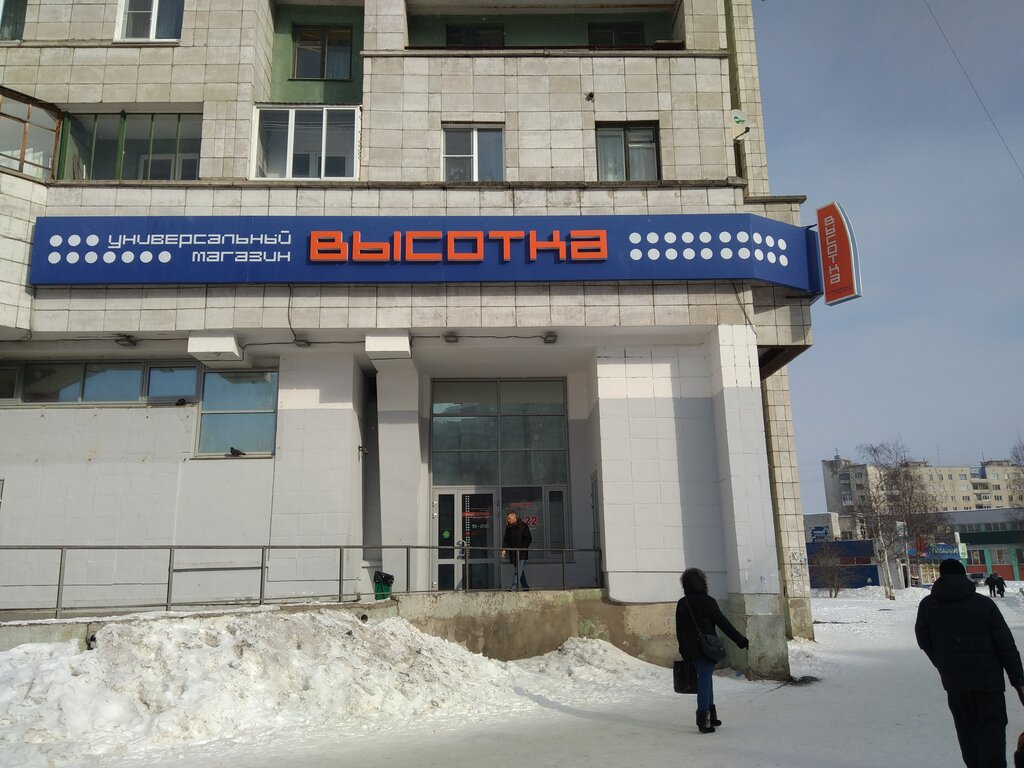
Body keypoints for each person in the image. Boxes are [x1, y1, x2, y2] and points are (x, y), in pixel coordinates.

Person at [915, 558, 1024, 768]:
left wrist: (944, 663)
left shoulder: (928, 606)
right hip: (989, 684)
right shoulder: (983, 604)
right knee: (992, 730)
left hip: (956, 685)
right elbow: (1006, 645)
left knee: (967, 731)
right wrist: (1018, 679)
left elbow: (924, 640)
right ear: (963, 575)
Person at [675, 567, 749, 734]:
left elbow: (679, 629)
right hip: (706, 648)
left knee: (706, 681)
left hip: (690, 650)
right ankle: (703, 721)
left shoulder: (683, 603)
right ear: (703, 583)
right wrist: (740, 640)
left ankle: (711, 716)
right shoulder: (708, 601)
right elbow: (724, 624)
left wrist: (682, 649)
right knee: (704, 682)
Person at [501, 512, 532, 591]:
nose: (508, 520)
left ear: (514, 517)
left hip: (522, 553)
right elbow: (506, 540)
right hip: (513, 553)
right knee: (519, 571)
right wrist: (504, 549)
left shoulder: (523, 526)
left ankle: (513, 588)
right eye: (507, 519)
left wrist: (523, 548)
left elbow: (528, 538)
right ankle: (525, 587)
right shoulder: (509, 527)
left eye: (509, 518)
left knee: (517, 571)